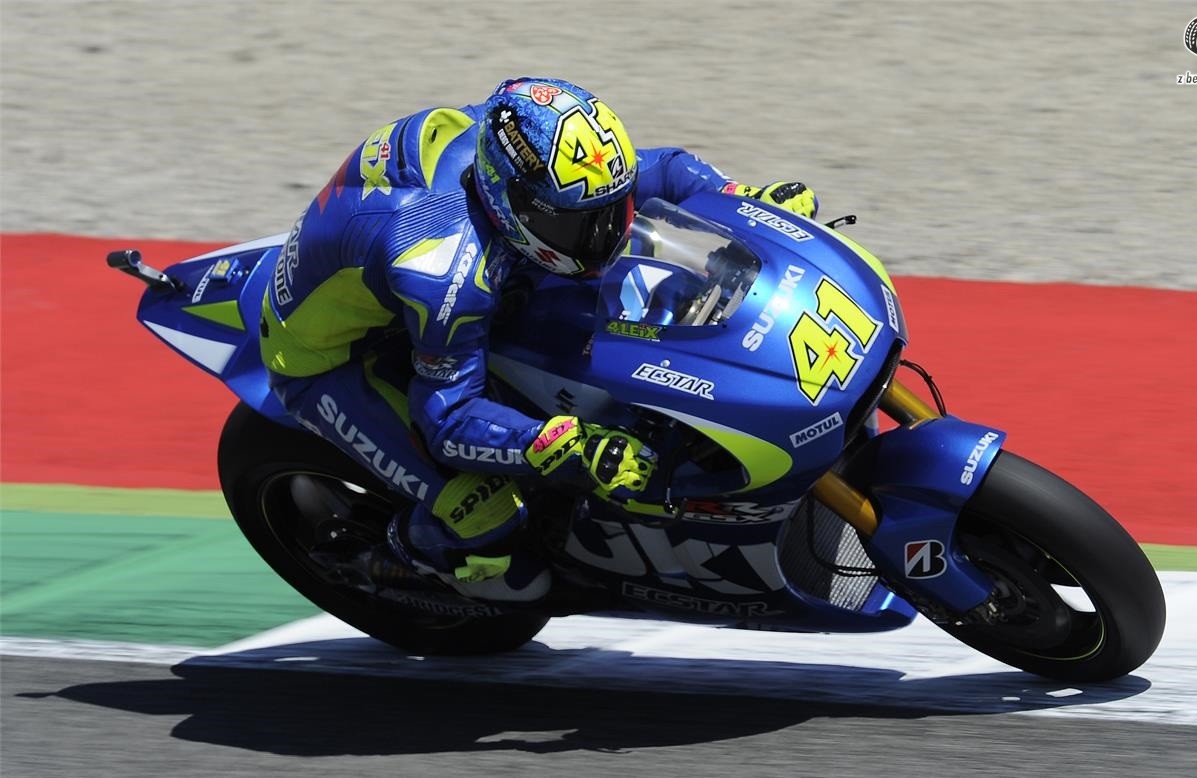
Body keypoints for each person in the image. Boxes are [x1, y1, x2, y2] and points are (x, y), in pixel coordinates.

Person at [259, 77, 819, 602]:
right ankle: (398, 554)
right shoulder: (445, 272)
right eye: (582, 225)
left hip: (419, 282)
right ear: (512, 203)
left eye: (612, 210)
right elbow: (447, 419)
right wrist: (566, 444)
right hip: (332, 359)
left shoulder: (532, 149)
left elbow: (666, 171)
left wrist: (743, 197)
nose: (607, 235)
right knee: (486, 517)